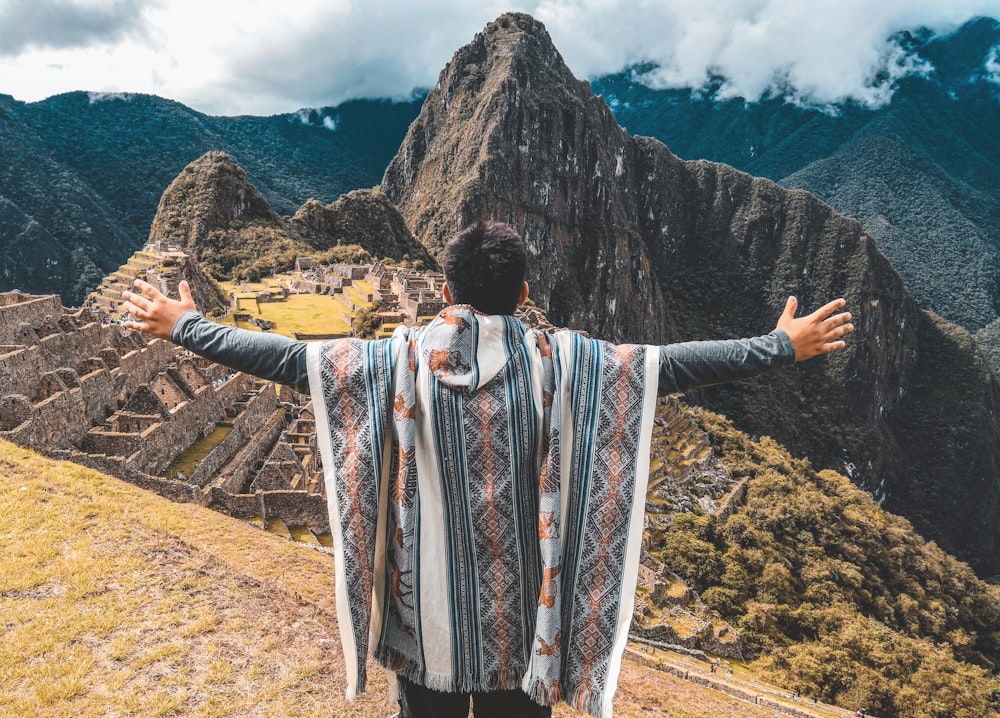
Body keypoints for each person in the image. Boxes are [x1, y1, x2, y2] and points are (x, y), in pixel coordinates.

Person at [122, 220, 852, 718]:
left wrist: (184, 324)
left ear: (444, 290)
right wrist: (780, 345)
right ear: (525, 295)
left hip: (423, 624)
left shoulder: (393, 360)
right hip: (522, 628)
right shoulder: (565, 363)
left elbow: (284, 359)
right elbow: (673, 368)